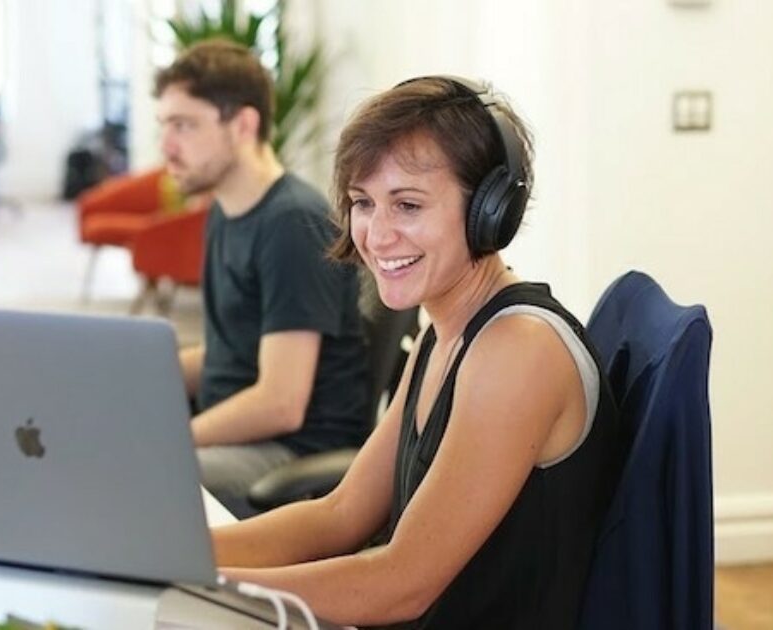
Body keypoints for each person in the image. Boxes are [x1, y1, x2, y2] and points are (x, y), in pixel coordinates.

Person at [210, 76, 629, 628]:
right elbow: (341, 513)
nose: (377, 235)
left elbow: (400, 584)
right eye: (363, 203)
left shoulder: (518, 351)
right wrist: (179, 554)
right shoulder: (444, 333)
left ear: (489, 211)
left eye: (407, 205)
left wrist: (204, 582)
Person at [154, 40, 371, 518]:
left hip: (290, 452)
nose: (166, 145)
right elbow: (231, 349)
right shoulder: (226, 210)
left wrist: (169, 440)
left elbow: (280, 402)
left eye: (184, 125)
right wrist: (136, 372)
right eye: (164, 125)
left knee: (138, 475)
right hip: (238, 431)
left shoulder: (292, 223)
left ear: (243, 125)